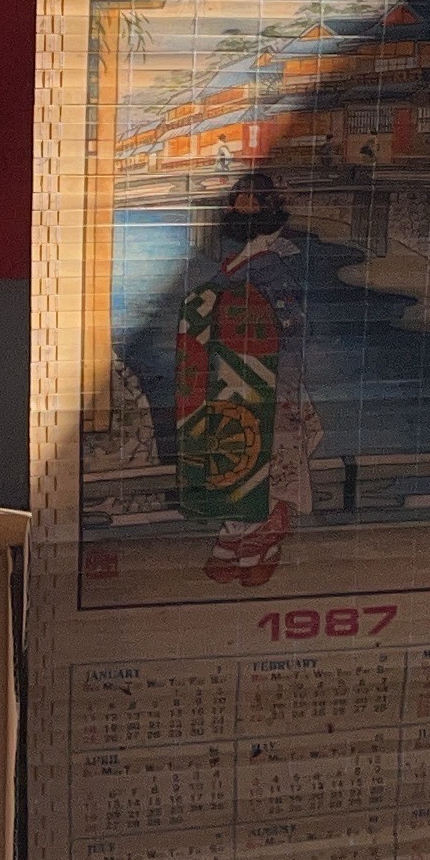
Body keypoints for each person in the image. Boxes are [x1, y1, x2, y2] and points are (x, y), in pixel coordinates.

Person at [173, 171, 319, 586]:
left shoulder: (273, 267)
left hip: (266, 380)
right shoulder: (237, 264)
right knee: (236, 455)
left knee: (261, 459)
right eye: (241, 203)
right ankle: (235, 537)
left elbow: (293, 328)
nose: (246, 210)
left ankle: (257, 543)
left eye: (254, 204)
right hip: (231, 378)